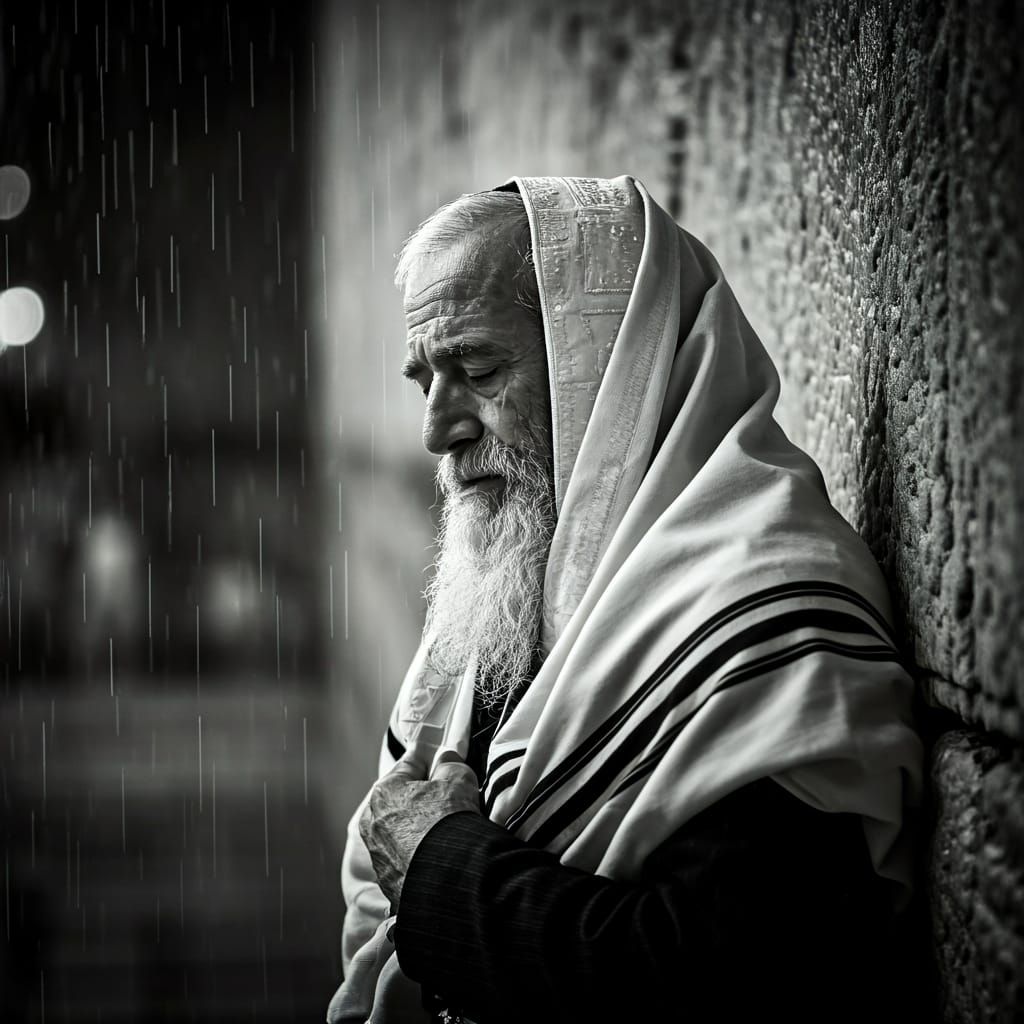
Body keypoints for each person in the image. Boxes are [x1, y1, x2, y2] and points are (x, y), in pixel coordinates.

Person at [326, 176, 923, 1024]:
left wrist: (443, 871)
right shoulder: (522, 582)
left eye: (480, 370)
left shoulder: (766, 605)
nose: (437, 430)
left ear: (611, 370)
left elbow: (735, 982)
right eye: (424, 380)